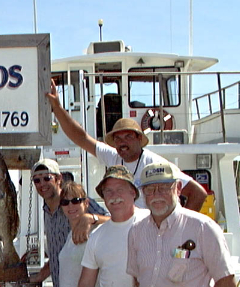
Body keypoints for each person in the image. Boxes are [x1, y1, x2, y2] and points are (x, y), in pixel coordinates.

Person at [46, 80, 208, 212]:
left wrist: (181, 228)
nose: (122, 142)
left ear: (139, 139)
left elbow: (198, 193)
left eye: (128, 137)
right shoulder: (113, 157)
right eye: (118, 139)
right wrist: (57, 108)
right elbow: (81, 138)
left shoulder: (156, 164)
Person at [30, 159, 108, 287]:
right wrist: (40, 275)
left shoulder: (76, 202)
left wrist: (90, 218)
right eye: (37, 180)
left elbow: (113, 220)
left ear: (59, 178)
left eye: (47, 178)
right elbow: (58, 254)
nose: (42, 184)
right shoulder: (46, 211)